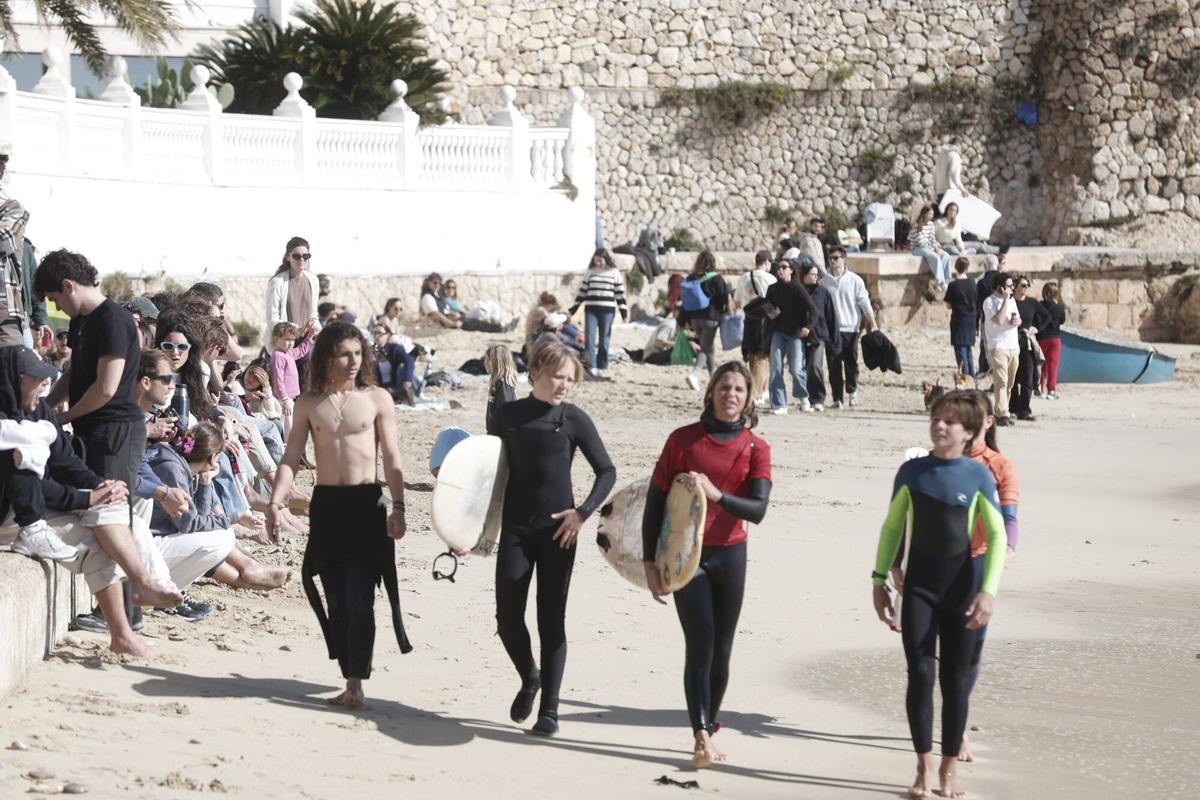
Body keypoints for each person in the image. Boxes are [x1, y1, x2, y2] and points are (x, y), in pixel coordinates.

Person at [0, 346, 181, 656]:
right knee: (24, 457)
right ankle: (143, 583)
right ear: (13, 379)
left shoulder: (38, 411)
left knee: (105, 536)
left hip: (33, 510)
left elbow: (65, 463)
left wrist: (100, 485)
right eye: (36, 378)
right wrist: (86, 497)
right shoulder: (6, 425)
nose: (44, 384)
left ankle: (123, 635)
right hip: (8, 514)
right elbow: (26, 485)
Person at [267, 321, 411, 709]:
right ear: (327, 356)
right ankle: (349, 673)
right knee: (336, 597)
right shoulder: (309, 403)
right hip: (328, 506)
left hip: (367, 504)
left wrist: (398, 507)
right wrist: (276, 502)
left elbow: (392, 457)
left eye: (358, 354)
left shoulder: (377, 398)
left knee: (361, 595)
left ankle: (355, 682)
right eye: (344, 354)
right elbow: (291, 457)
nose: (353, 361)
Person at [871, 391, 1006, 800]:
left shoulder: (978, 476)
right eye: (935, 418)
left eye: (949, 421)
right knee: (920, 674)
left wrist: (988, 592)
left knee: (954, 681)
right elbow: (892, 527)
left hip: (963, 590)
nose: (939, 426)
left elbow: (997, 535)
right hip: (920, 588)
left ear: (969, 431)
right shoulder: (912, 472)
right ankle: (923, 766)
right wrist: (879, 580)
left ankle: (949, 769)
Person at [35, 249, 175, 632]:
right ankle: (123, 609)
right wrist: (48, 405)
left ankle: (128, 611)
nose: (56, 307)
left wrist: (63, 417)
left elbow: (106, 387)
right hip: (92, 429)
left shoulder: (113, 320)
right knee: (103, 513)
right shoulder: (83, 320)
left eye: (56, 298)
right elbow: (75, 372)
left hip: (115, 432)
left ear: (69, 285)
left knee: (112, 513)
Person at [642, 361, 771, 768]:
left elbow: (758, 510)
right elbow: (655, 503)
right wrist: (649, 561)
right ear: (711, 391)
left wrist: (716, 495)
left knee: (722, 651)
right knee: (701, 644)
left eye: (739, 389)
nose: (731, 394)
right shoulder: (682, 441)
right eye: (724, 387)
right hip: (686, 557)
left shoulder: (756, 448)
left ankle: (710, 727)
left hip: (731, 554)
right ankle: (700, 735)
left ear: (748, 399)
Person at [491, 341, 615, 736]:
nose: (564, 385)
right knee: (507, 618)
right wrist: (470, 531)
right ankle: (530, 676)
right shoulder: (508, 415)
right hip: (516, 528)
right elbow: (488, 476)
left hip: (558, 532)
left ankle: (550, 711)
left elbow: (606, 471)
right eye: (557, 377)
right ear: (535, 374)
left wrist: (582, 513)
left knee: (550, 619)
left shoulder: (573, 419)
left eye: (569, 379)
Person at [821, 246, 879, 409]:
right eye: (830, 258)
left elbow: (864, 303)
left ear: (844, 259)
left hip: (851, 328)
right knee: (833, 364)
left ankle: (853, 392)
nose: (833, 261)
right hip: (832, 330)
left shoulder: (855, 280)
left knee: (851, 363)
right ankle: (837, 399)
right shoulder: (824, 281)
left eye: (836, 258)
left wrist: (873, 323)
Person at [764, 258, 817, 414]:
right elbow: (765, 305)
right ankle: (779, 405)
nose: (780, 270)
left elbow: (814, 311)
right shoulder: (773, 289)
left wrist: (807, 327)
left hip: (795, 334)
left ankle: (803, 397)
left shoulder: (798, 288)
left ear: (791, 270)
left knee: (796, 369)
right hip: (778, 332)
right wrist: (770, 313)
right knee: (775, 368)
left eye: (784, 267)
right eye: (778, 267)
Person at [568, 248, 628, 379]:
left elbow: (620, 294)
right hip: (591, 310)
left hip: (607, 311)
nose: (598, 263)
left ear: (606, 259)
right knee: (589, 337)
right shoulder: (590, 272)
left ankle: (602, 365)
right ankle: (592, 365)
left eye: (600, 260)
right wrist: (574, 308)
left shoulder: (614, 272)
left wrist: (624, 313)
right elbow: (583, 291)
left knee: (604, 339)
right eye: (596, 260)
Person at [679, 251, 730, 391]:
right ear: (712, 263)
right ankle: (694, 374)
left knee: (708, 346)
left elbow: (684, 301)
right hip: (710, 318)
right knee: (705, 347)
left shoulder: (691, 278)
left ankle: (713, 377)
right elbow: (724, 297)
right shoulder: (716, 278)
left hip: (695, 318)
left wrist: (682, 321)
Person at [799, 259, 839, 411]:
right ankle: (806, 398)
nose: (816, 277)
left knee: (815, 366)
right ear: (804, 275)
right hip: (799, 335)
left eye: (817, 274)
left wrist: (834, 339)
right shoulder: (798, 291)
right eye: (812, 274)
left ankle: (817, 398)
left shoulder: (823, 293)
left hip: (819, 336)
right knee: (801, 368)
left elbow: (831, 317)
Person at [1008, 275, 1048, 423]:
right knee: (1012, 377)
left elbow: (1047, 317)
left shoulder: (1032, 303)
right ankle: (1013, 408)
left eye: (1027, 285)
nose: (1026, 288)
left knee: (1028, 377)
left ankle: (1024, 410)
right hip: (1011, 342)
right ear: (1016, 286)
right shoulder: (1010, 302)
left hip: (1027, 344)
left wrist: (1037, 328)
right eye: (1023, 285)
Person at [265, 236, 320, 342]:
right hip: (284, 343)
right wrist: (297, 329)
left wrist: (315, 328)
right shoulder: (277, 283)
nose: (302, 259)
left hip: (307, 341)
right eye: (297, 256)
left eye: (306, 256)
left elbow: (313, 315)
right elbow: (272, 319)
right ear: (288, 257)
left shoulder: (313, 280)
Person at [982, 273, 1020, 426]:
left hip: (1013, 346)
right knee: (1001, 380)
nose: (1012, 288)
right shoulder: (989, 302)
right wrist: (1004, 300)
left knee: (1009, 383)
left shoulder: (1012, 301)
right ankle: (1002, 412)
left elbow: (1018, 318)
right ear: (1000, 287)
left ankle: (1002, 412)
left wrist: (1017, 321)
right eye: (1009, 286)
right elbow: (998, 320)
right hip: (998, 346)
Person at [269, 321, 317, 438]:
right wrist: (285, 399)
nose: (291, 343)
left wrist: (310, 336)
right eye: (287, 339)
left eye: (292, 340)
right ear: (275, 338)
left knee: (290, 424)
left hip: (289, 398)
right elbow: (278, 380)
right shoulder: (278, 356)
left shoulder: (288, 353)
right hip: (283, 399)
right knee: (287, 427)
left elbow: (300, 351)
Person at [943, 257, 978, 377]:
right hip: (971, 319)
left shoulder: (953, 285)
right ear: (967, 268)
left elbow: (948, 305)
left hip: (959, 320)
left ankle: (965, 377)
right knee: (968, 350)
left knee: (960, 351)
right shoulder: (973, 283)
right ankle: (972, 378)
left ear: (956, 268)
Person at [369, 324, 418, 405]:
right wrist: (370, 362)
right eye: (374, 333)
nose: (377, 336)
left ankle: (414, 389)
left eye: (380, 333)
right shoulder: (370, 351)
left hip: (396, 386)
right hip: (381, 388)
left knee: (402, 367)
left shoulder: (394, 349)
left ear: (387, 335)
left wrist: (407, 379)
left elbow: (409, 360)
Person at [908, 205, 952, 290]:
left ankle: (943, 279)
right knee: (935, 257)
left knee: (945, 255)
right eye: (930, 214)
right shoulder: (916, 225)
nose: (931, 216)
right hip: (917, 248)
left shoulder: (931, 224)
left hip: (929, 247)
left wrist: (935, 246)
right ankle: (941, 282)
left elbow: (932, 238)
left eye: (932, 214)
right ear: (924, 214)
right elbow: (920, 242)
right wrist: (933, 249)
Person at [1037, 282, 1066, 399]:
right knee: (1052, 366)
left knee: (1041, 365)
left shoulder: (1039, 306)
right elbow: (1062, 320)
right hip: (1054, 339)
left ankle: (1040, 388)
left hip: (1041, 338)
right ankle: (1051, 391)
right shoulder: (1059, 308)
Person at [974, 254, 1001, 376]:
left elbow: (978, 305)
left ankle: (990, 369)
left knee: (987, 344)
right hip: (1002, 318)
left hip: (987, 318)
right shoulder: (1004, 279)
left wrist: (976, 323)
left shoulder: (982, 283)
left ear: (985, 266)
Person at [484, 344, 517, 435]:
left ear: (498, 362)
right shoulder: (496, 382)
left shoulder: (503, 384)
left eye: (488, 360)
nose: (484, 363)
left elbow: (506, 412)